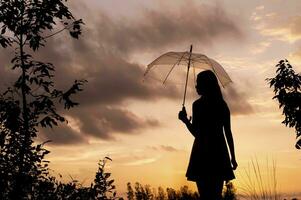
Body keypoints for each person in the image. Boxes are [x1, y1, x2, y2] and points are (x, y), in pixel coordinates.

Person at [178, 70, 237, 200]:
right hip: (219, 154)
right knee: (216, 195)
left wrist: (185, 121)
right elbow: (228, 133)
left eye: (198, 83)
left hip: (201, 154)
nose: (196, 86)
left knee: (205, 196)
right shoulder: (222, 105)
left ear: (206, 85)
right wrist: (233, 157)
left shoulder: (197, 105)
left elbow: (197, 134)